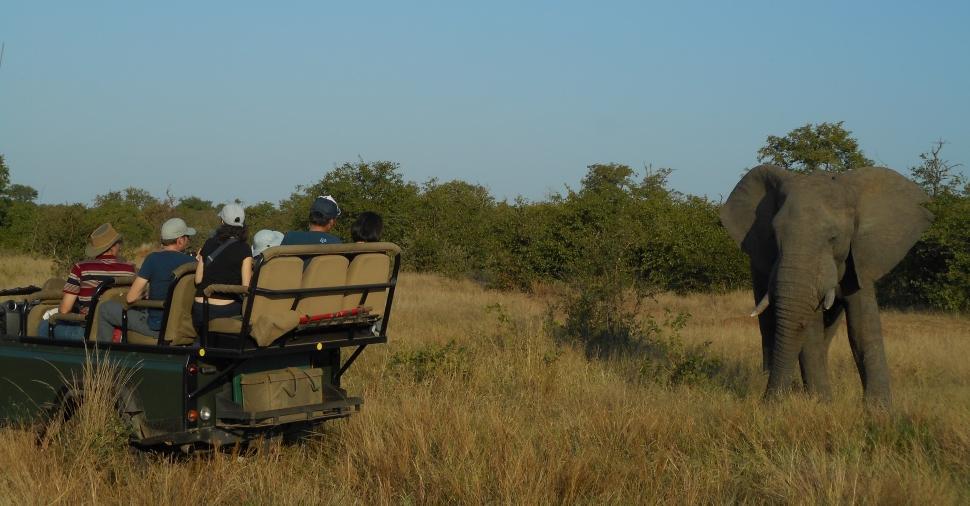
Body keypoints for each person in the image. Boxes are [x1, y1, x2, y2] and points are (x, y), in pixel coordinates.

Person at [96, 218, 197, 342]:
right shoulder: (193, 263)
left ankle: (101, 355)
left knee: (105, 308)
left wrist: (144, 294)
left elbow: (131, 298)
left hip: (156, 326)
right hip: (183, 326)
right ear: (180, 240)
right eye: (187, 237)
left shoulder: (153, 259)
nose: (188, 240)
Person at [39, 223, 136, 340]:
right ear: (113, 247)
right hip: (120, 329)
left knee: (45, 325)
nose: (120, 246)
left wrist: (55, 312)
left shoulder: (81, 268)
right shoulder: (130, 269)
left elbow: (65, 309)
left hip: (89, 330)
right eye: (118, 243)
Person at [192, 203, 253, 330]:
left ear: (222, 221)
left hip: (201, 309)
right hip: (226, 310)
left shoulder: (208, 243)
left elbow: (198, 280)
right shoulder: (245, 248)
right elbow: (246, 286)